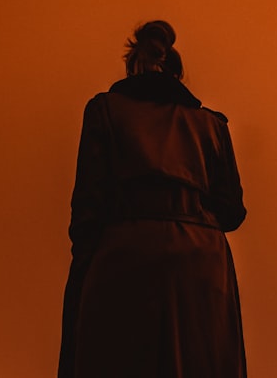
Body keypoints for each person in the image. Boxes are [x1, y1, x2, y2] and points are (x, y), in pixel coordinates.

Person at [58, 21, 247, 378]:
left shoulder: (103, 111)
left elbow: (86, 209)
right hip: (201, 262)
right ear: (177, 74)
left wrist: (82, 283)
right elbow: (232, 211)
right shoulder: (212, 125)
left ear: (133, 66)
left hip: (125, 254)